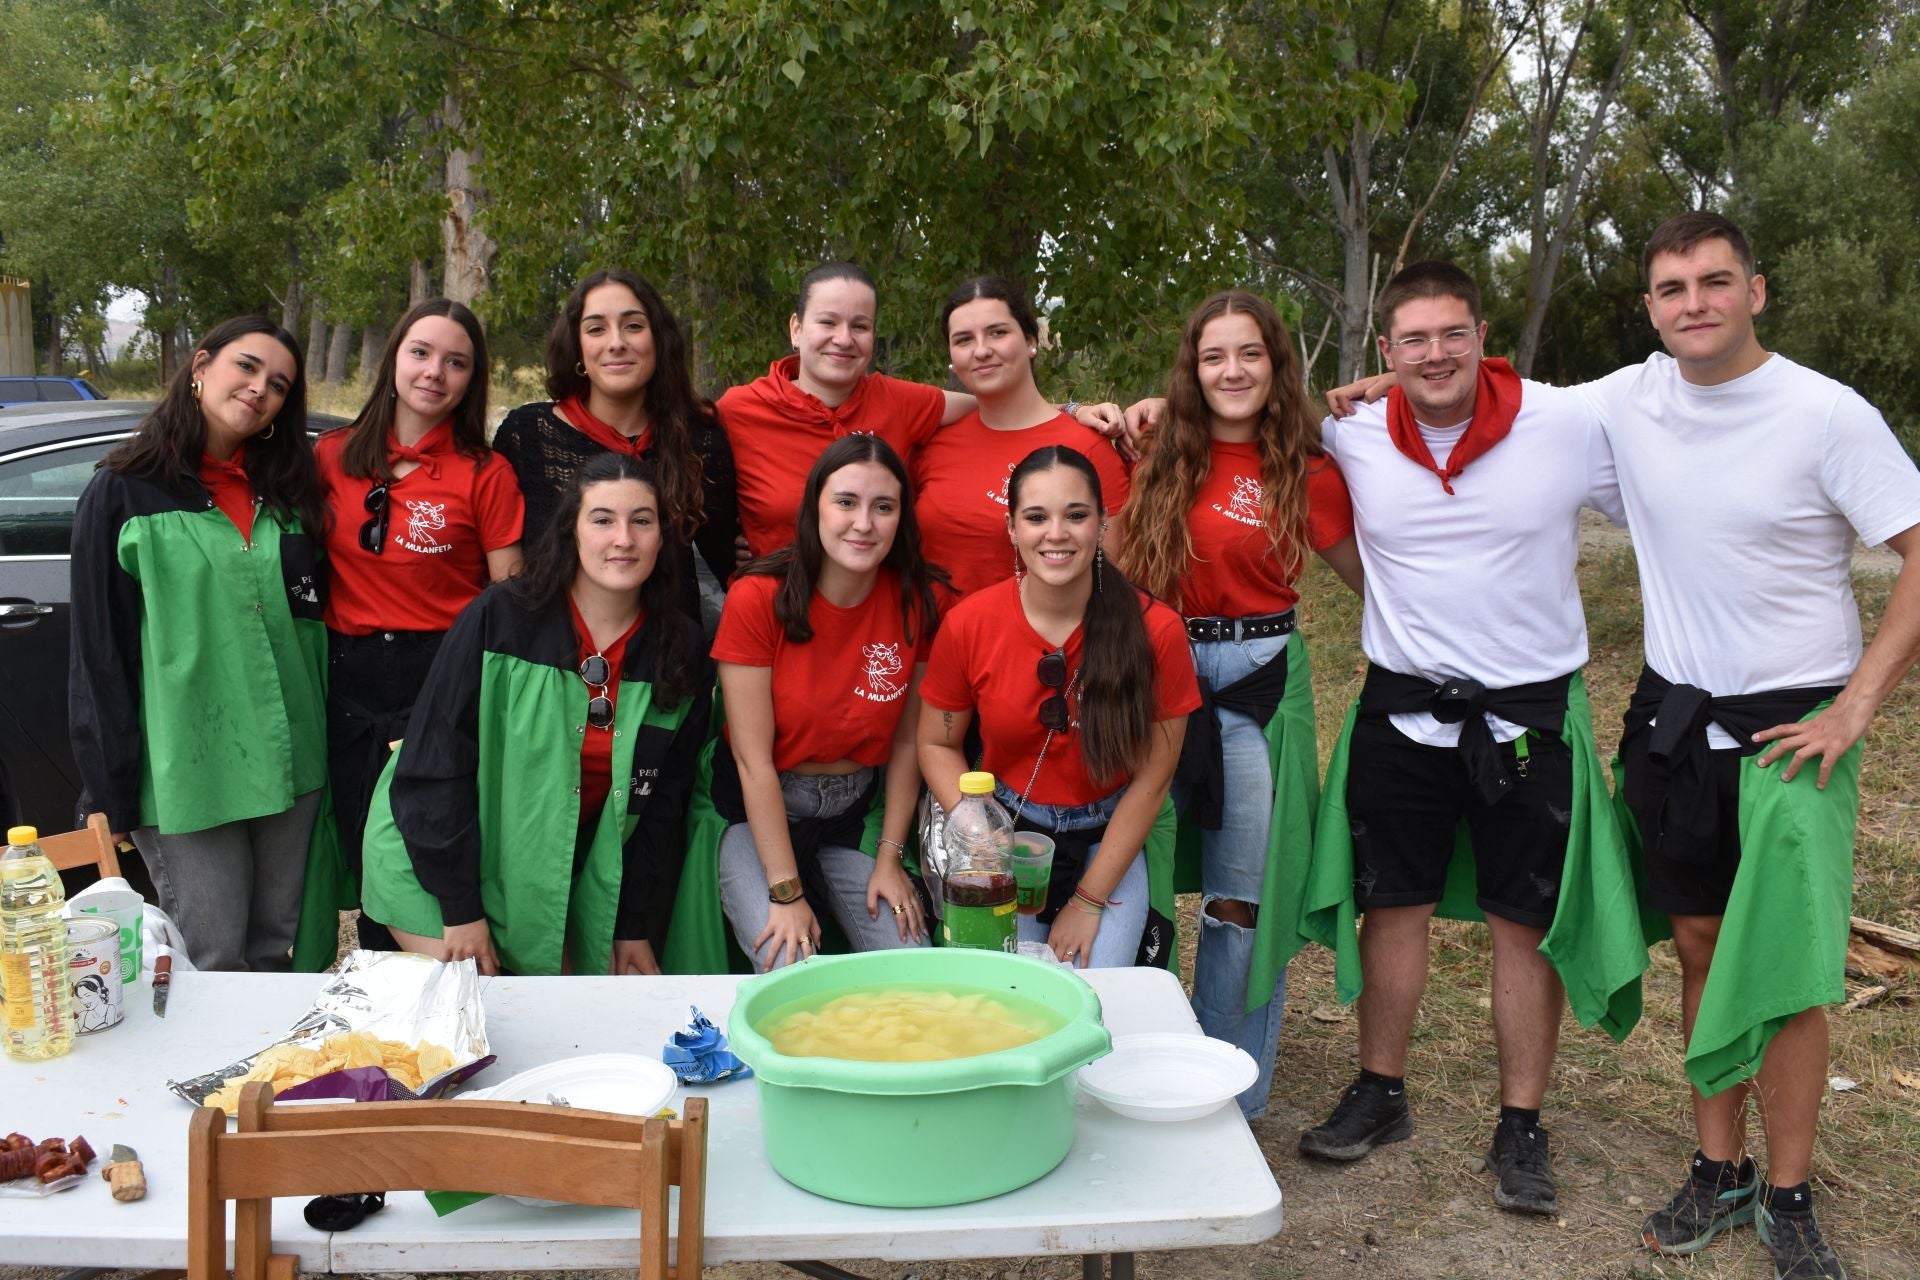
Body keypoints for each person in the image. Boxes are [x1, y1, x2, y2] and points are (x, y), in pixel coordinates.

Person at [1581, 213, 1920, 1279]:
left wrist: (1856, 705)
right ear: (1650, 307)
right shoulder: (1630, 397)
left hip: (1792, 735)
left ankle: (1791, 1188)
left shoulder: (1826, 413)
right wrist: (1366, 392)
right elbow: (1482, 395)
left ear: (1757, 291)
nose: (1695, 302)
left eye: (1715, 281)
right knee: (1699, 944)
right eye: (1673, 287)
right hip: (1674, 718)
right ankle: (1720, 1165)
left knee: (1790, 969)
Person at [1294, 263, 1647, 1219]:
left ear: (1483, 335)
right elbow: (1232, 411)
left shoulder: (1563, 424)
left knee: (1520, 922)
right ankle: (1380, 1090)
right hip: (1402, 712)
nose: (1435, 355)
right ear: (1385, 352)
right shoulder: (1353, 432)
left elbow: (1667, 488)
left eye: (1453, 335)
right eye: (1413, 340)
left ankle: (1520, 1124)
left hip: (1526, 715)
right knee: (1392, 906)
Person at [1115, 290, 1361, 1120]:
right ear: (1192, 369)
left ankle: (1226, 1093)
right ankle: (1131, 1071)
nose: (1232, 370)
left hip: (1259, 681)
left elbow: (1379, 583)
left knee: (1238, 902)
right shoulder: (1153, 452)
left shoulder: (1309, 467)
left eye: (1249, 353)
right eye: (1213, 355)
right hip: (1163, 677)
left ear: (1275, 362)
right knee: (1133, 880)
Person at [358, 452, 713, 975]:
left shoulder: (678, 649)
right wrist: (461, 909)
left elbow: (659, 805)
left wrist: (631, 925)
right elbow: (435, 765)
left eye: (642, 521)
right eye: (602, 520)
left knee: (570, 1016)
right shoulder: (501, 618)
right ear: (572, 530)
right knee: (490, 1007)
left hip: (542, 870)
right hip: (433, 860)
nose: (624, 539)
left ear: (662, 538)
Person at [69, 316, 329, 972]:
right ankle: (199, 1080)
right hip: (189, 769)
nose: (259, 388)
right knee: (209, 956)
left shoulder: (290, 492)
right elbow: (100, 653)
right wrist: (110, 787)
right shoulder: (122, 492)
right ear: (200, 368)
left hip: (292, 757)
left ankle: (267, 1077)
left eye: (277, 384)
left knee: (275, 948)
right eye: (246, 366)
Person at [919, 445, 1200, 968]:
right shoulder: (970, 623)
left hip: (1108, 835)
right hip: (1008, 829)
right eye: (1036, 517)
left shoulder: (1156, 630)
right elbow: (936, 741)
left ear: (1101, 522)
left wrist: (1090, 901)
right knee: (1000, 986)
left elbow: (1153, 780)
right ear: (1011, 528)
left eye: (1076, 515)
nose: (1056, 533)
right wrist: (979, 834)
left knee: (1099, 995)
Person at [314, 299, 524, 950]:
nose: (436, 372)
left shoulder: (485, 473)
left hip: (439, 677)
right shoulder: (330, 457)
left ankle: (452, 1003)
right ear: (393, 359)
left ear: (472, 379)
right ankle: (384, 1014)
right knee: (364, 850)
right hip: (348, 680)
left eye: (456, 362)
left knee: (424, 848)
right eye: (421, 353)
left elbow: (508, 596)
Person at [705, 434, 941, 971]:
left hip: (853, 813)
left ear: (901, 519)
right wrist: (786, 894)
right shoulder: (758, 597)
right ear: (815, 508)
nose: (864, 523)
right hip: (755, 809)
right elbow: (751, 760)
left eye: (884, 507)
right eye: (846, 502)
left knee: (911, 964)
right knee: (788, 963)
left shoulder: (916, 601)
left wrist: (889, 857)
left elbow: (908, 740)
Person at [717, 262, 1128, 558]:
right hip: (776, 614)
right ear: (796, 328)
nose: (843, 339)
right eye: (827, 322)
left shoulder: (899, 401)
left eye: (860, 326)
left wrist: (1071, 411)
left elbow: (1001, 408)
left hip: (883, 628)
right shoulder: (739, 410)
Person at [493, 268, 738, 621]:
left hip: (668, 658)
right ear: (577, 348)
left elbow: (730, 562)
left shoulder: (699, 439)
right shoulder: (527, 435)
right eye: (596, 328)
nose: (616, 342)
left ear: (659, 340)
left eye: (634, 326)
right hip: (550, 658)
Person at [912, 276, 1133, 595]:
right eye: (963, 340)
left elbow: (1113, 578)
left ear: (1030, 341)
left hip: (1041, 643)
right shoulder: (934, 441)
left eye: (997, 333)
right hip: (937, 641)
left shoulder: (1086, 446)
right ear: (951, 357)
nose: (982, 350)